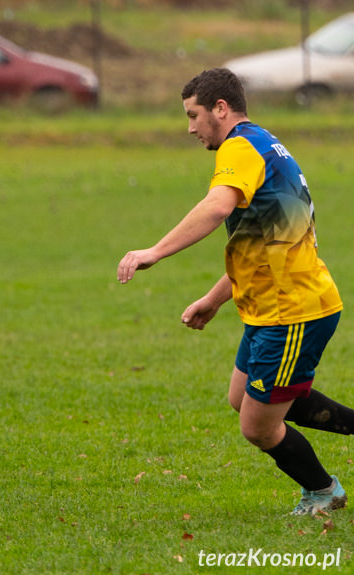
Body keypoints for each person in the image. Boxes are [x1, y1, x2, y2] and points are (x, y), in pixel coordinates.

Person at [117, 67, 352, 516]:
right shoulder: (262, 143)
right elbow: (261, 246)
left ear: (220, 109)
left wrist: (156, 251)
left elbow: (216, 205)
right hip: (275, 304)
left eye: (194, 114)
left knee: (258, 427)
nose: (190, 127)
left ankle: (324, 492)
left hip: (293, 310)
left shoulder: (239, 147)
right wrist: (213, 298)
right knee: (243, 399)